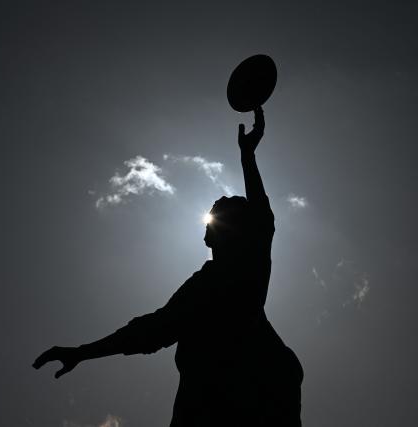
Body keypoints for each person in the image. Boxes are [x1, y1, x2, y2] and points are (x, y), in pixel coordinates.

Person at [33, 108, 303, 426]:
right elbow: (149, 331)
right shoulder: (202, 288)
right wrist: (82, 352)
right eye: (218, 214)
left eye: (227, 215)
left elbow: (261, 219)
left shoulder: (244, 276)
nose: (219, 217)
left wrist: (247, 157)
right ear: (207, 235)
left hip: (249, 403)